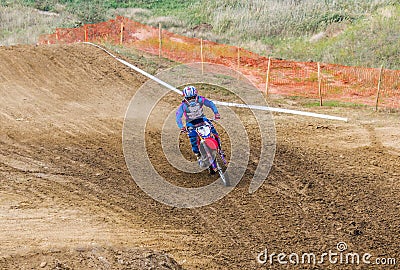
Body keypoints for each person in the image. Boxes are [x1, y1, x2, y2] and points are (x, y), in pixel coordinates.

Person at [175, 85, 222, 164]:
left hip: (202, 119)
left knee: (213, 131)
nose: (191, 100)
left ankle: (220, 149)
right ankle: (198, 154)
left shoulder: (201, 100)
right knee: (193, 137)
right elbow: (178, 117)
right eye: (189, 98)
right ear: (185, 98)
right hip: (191, 123)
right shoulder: (183, 106)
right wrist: (181, 127)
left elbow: (210, 104)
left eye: (193, 97)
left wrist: (216, 113)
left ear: (196, 95)